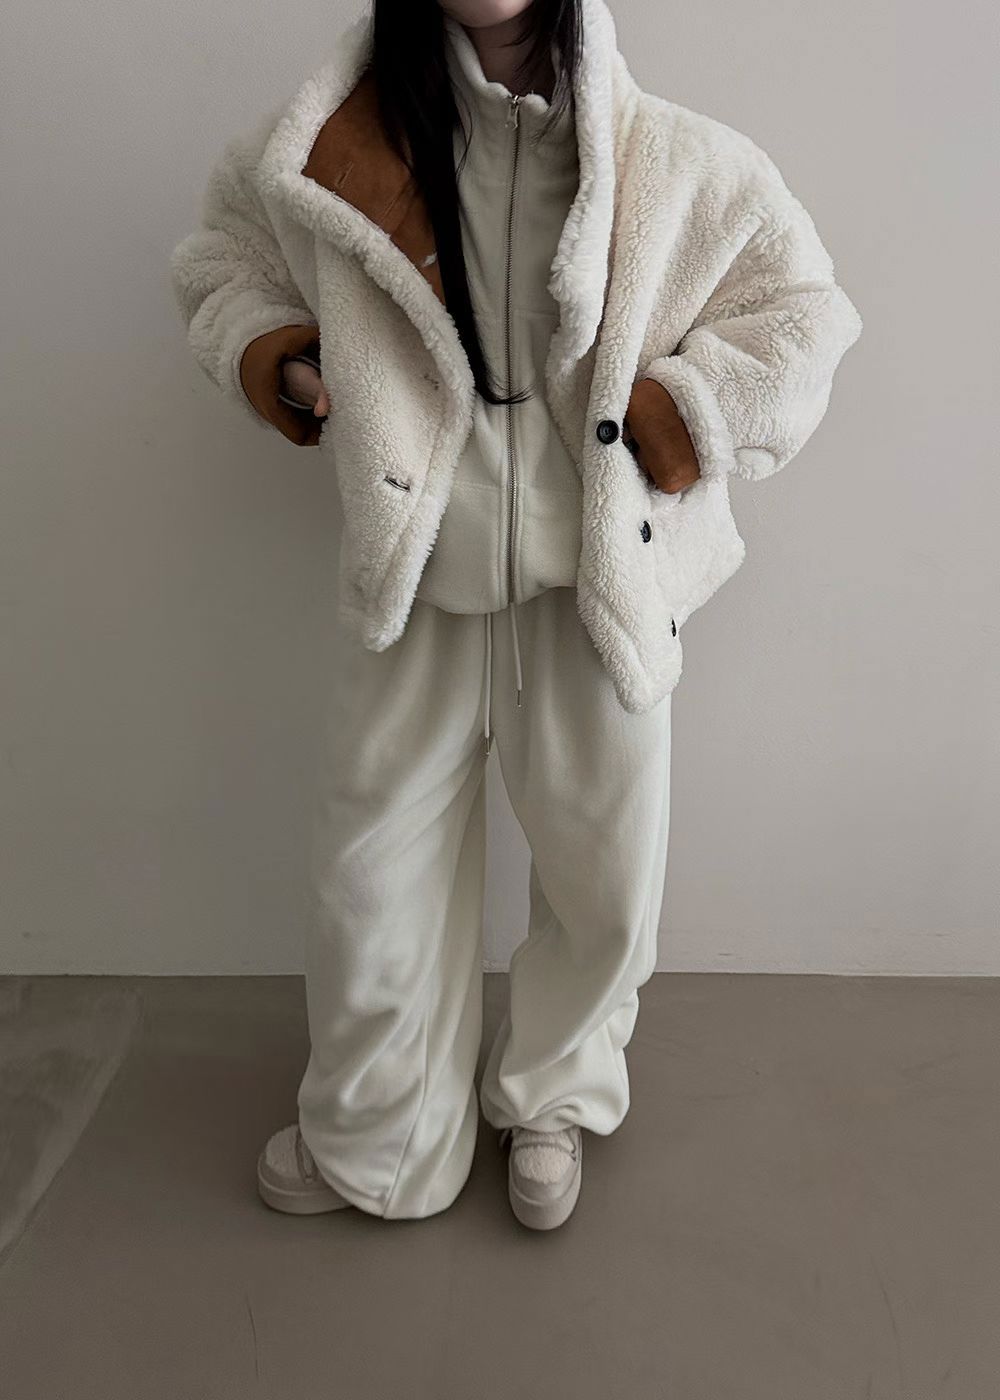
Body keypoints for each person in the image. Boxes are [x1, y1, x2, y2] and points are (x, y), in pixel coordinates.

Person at [169, 0, 861, 1230]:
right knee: (370, 874)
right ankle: (382, 1132)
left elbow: (804, 314)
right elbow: (222, 259)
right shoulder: (330, 143)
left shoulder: (676, 161)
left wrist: (681, 415)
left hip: (592, 587)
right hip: (416, 578)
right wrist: (281, 354)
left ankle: (551, 1097)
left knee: (603, 876)